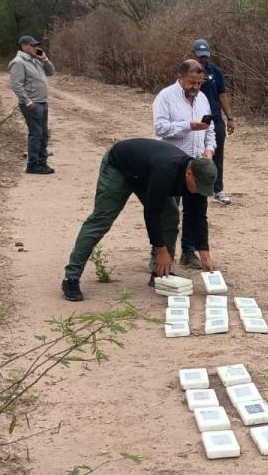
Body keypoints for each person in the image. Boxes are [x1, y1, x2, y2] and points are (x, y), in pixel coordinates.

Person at [60, 138, 219, 301]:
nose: (200, 191)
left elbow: (198, 217)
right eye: (198, 186)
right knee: (101, 219)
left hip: (146, 173)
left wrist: (204, 254)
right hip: (120, 166)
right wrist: (161, 251)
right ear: (189, 173)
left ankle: (161, 273)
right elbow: (151, 213)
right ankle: (71, 277)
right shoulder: (165, 171)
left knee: (170, 216)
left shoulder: (200, 180)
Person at [153, 59, 216, 270]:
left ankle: (189, 252)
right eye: (191, 82)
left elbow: (210, 129)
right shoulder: (165, 97)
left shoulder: (203, 99)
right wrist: (188, 126)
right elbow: (161, 128)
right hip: (172, 164)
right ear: (180, 77)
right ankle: (160, 252)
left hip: (198, 164)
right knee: (167, 211)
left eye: (199, 83)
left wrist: (209, 150)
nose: (196, 87)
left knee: (197, 211)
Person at [193, 39, 236, 205]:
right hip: (196, 119)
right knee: (194, 153)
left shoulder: (215, 71)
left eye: (205, 56)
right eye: (200, 57)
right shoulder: (189, 72)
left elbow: (222, 95)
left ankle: (218, 189)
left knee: (217, 154)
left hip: (215, 118)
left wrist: (229, 118)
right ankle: (191, 188)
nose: (203, 60)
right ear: (193, 55)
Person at [9, 35, 55, 174]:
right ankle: (33, 165)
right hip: (32, 103)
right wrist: (27, 101)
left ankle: (42, 163)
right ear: (24, 46)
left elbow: (51, 72)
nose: (36, 47)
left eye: (36, 45)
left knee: (44, 134)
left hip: (42, 101)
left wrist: (45, 59)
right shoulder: (18, 62)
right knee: (36, 134)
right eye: (33, 45)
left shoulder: (36, 60)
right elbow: (16, 84)